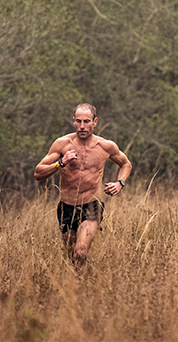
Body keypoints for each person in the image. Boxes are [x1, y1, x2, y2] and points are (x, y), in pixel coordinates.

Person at [34, 103, 132, 268]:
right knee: (72, 257)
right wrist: (61, 163)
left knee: (80, 252)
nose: (82, 126)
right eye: (78, 121)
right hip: (66, 207)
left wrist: (119, 183)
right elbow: (38, 173)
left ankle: (84, 281)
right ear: (73, 121)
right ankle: (82, 285)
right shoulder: (62, 144)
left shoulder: (105, 146)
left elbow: (126, 164)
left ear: (95, 122)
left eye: (86, 121)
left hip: (91, 206)